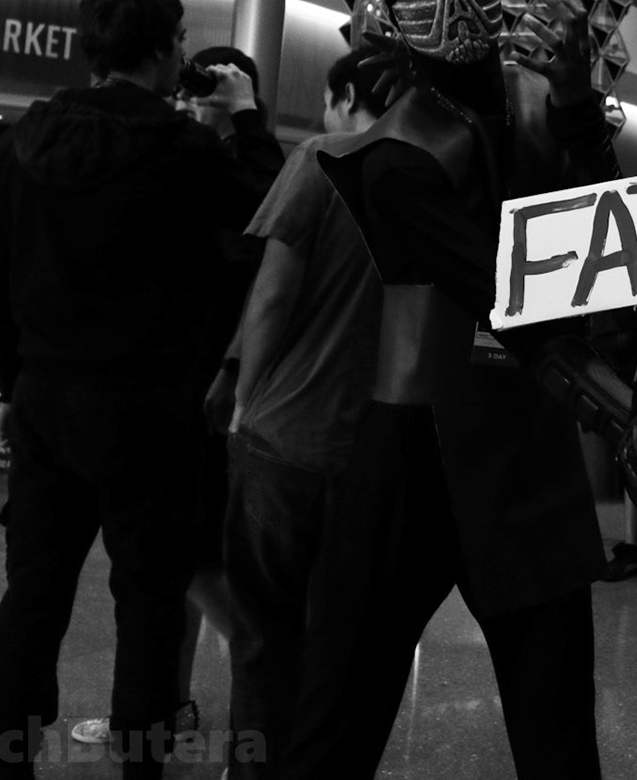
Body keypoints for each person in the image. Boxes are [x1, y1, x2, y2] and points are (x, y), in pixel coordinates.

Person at [285, 0, 616, 780]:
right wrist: (627, 412)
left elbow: (606, 236)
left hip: (524, 444)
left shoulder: (539, 99)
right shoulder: (392, 152)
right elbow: (515, 299)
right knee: (336, 718)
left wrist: (578, 101)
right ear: (391, 7)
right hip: (412, 446)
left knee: (558, 731)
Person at [0, 0, 281, 779]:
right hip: (150, 411)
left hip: (46, 403)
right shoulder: (182, 150)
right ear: (161, 49)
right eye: (179, 40)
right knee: (148, 601)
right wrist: (246, 118)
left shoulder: (24, 142)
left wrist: (13, 383)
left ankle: (9, 759)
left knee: (32, 594)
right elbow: (268, 212)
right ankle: (141, 762)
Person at [217, 47, 387, 778]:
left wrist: (242, 400)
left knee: (264, 635)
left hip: (285, 437)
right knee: (343, 644)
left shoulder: (321, 158)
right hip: (374, 450)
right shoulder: (430, 174)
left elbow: (273, 293)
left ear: (345, 96)